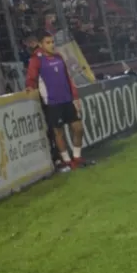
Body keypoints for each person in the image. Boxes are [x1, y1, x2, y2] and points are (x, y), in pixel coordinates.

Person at [26, 32, 87, 170]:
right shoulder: (36, 60)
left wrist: (75, 96)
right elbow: (31, 78)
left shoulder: (59, 57)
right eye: (47, 42)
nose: (51, 45)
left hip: (67, 99)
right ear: (41, 45)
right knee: (59, 133)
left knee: (78, 128)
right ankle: (66, 160)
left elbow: (68, 78)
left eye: (52, 42)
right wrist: (30, 86)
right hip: (52, 102)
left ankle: (77, 157)